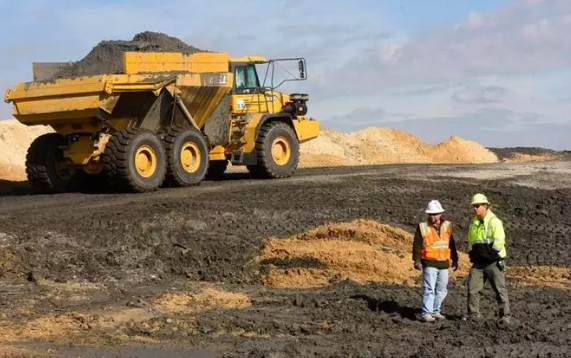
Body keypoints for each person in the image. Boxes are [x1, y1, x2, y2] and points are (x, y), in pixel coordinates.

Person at [465, 193, 510, 324]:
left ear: (485, 206)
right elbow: (471, 241)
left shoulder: (494, 221)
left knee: (500, 290)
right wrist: (472, 254)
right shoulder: (473, 224)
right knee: (473, 289)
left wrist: (490, 255)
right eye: (474, 206)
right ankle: (473, 315)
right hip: (479, 263)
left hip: (493, 262)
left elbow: (499, 241)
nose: (475, 209)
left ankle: (505, 316)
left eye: (477, 206)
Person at [412, 200, 459, 322]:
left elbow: (451, 243)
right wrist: (417, 260)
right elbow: (417, 244)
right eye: (431, 214)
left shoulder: (447, 225)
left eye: (435, 214)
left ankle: (435, 310)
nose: (433, 217)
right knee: (429, 288)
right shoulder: (422, 227)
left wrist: (455, 258)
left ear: (440, 214)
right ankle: (426, 313)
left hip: (443, 263)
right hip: (429, 262)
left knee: (442, 289)